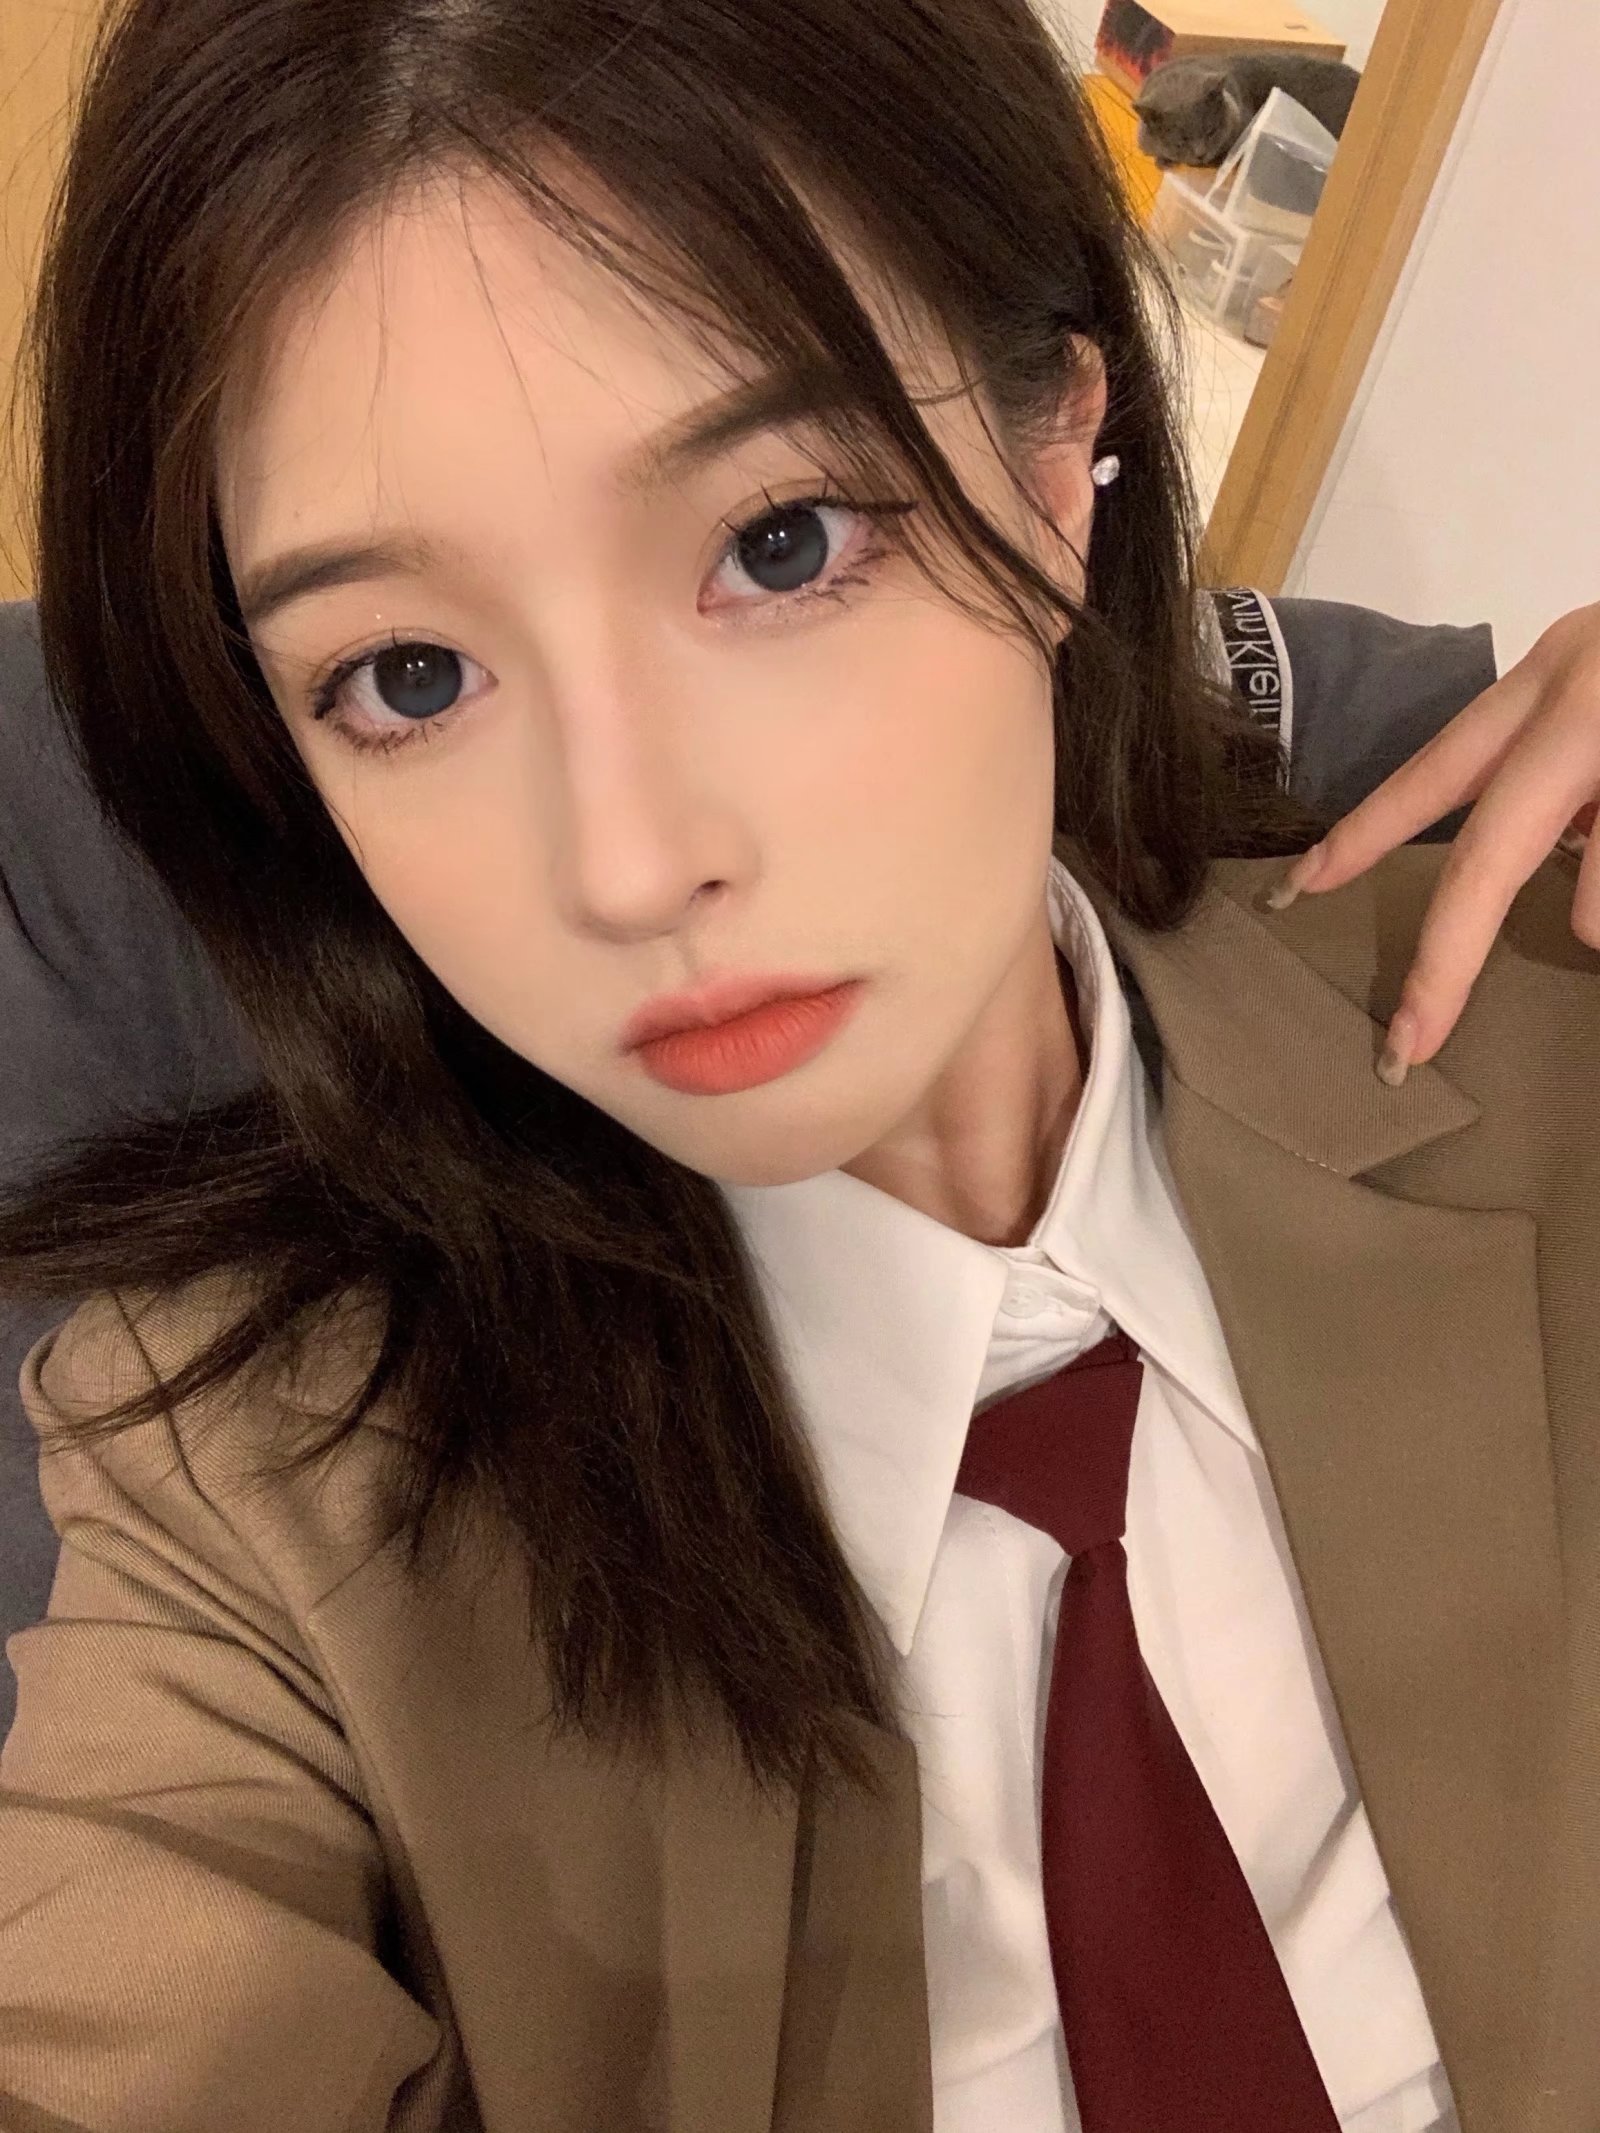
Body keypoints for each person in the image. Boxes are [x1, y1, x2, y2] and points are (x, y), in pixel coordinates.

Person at [0, 0, 1595, 2126]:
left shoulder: (1545, 1034)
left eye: (777, 543)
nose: (629, 860)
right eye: (409, 674)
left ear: (1058, 468)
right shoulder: (247, 1493)